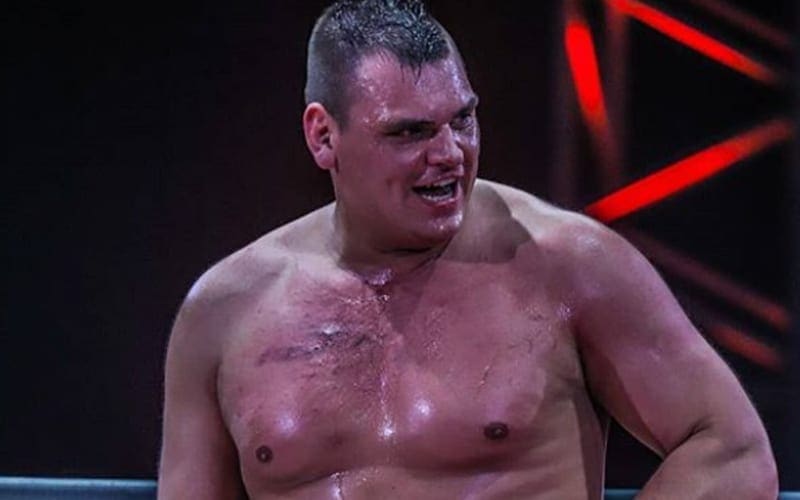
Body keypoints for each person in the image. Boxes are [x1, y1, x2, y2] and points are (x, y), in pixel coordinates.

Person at [157, 1, 778, 498]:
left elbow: (732, 451)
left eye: (462, 120)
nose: (450, 154)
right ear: (323, 136)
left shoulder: (570, 265)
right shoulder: (226, 311)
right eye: (411, 132)